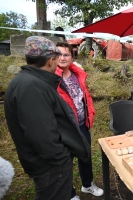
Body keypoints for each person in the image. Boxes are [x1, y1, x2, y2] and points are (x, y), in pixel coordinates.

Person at [4, 36, 91, 200]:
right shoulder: (31, 87)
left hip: (47, 163)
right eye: (57, 58)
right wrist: (62, 159)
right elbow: (41, 134)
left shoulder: (29, 81)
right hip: (50, 166)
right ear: (51, 61)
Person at [55, 41, 103, 200]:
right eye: (59, 54)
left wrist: (91, 114)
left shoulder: (78, 74)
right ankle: (69, 194)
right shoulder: (50, 78)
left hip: (82, 125)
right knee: (65, 162)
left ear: (72, 57)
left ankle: (87, 185)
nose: (62, 58)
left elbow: (85, 97)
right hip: (64, 129)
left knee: (85, 156)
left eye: (66, 54)